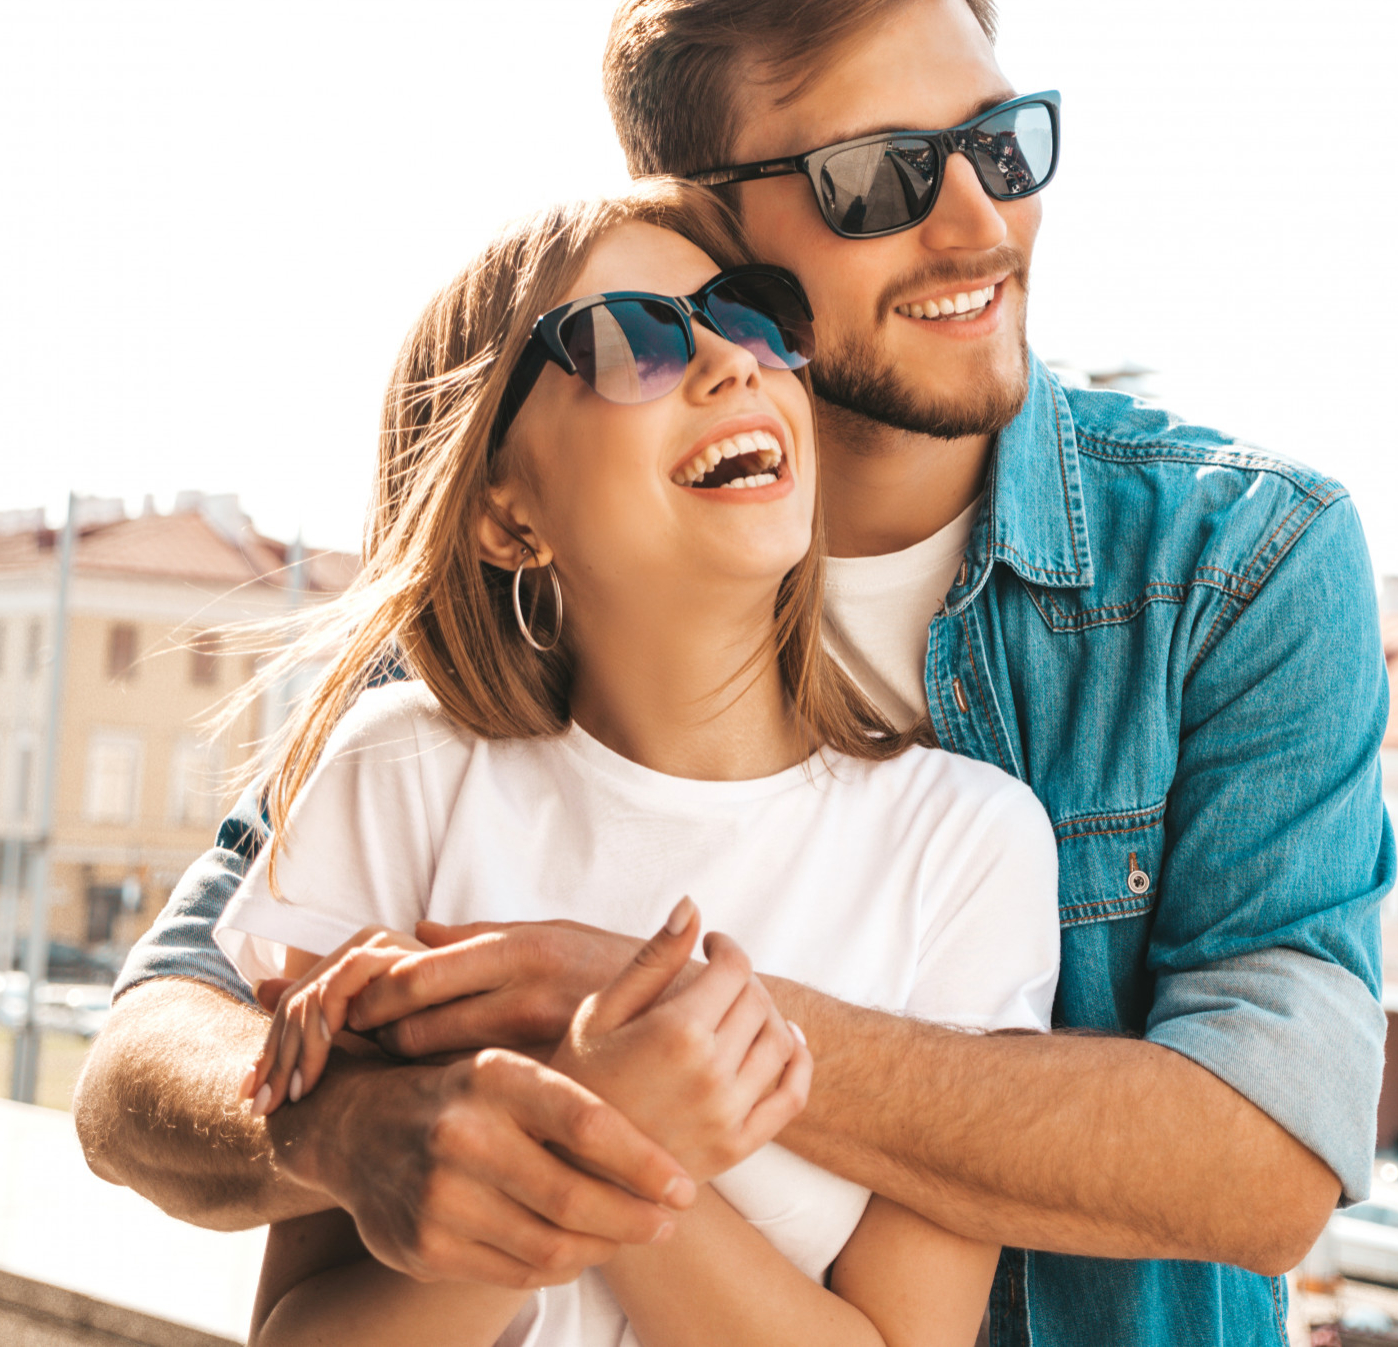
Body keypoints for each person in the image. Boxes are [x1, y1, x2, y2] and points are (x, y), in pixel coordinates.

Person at [75, 0, 1394, 1347]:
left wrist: (634, 1037)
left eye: (1001, 147)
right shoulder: (522, 612)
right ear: (710, 219)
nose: (979, 225)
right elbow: (156, 1057)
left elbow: (1271, 1163)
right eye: (879, 176)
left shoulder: (1242, 561)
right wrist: (338, 1133)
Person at [218, 180, 1060, 1346]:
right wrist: (618, 1122)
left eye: (755, 315)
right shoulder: (396, 776)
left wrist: (596, 1138)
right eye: (631, 340)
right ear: (505, 512)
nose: (732, 364)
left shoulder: (968, 844)